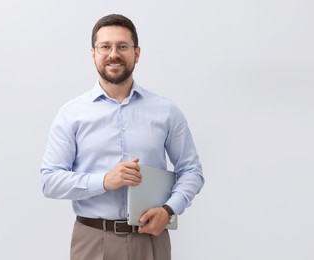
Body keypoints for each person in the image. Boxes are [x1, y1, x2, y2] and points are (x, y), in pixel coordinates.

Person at [40, 14, 204, 260]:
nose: (113, 54)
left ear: (136, 53)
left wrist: (169, 210)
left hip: (151, 239)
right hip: (93, 240)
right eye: (105, 46)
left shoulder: (166, 110)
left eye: (122, 46)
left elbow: (192, 170)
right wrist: (105, 180)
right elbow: (50, 181)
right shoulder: (71, 114)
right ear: (93, 53)